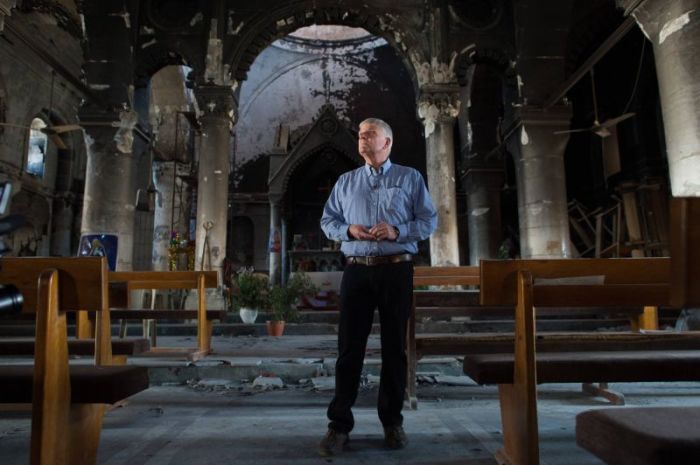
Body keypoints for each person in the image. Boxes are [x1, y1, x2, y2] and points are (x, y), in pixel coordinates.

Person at [318, 118, 438, 456]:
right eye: (360, 134)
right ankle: (339, 425)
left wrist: (398, 232)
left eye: (369, 134)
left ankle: (392, 422)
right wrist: (349, 231)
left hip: (395, 271)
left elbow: (429, 220)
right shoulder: (346, 182)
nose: (362, 138)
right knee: (349, 350)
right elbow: (328, 221)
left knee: (394, 350)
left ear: (387, 142)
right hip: (357, 271)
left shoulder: (410, 178)